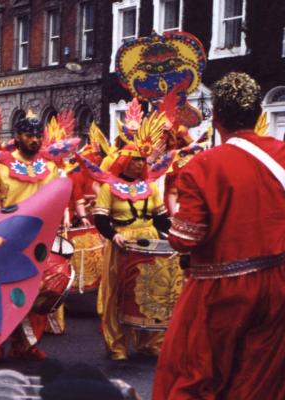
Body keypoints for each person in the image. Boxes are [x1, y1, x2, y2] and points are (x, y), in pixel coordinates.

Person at [153, 72, 285, 399]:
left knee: (197, 374)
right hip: (277, 281)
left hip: (219, 290)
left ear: (216, 118)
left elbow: (186, 239)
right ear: (259, 115)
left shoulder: (202, 167)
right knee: (260, 376)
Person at [0, 115, 62, 362]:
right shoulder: (0, 166)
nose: (34, 140)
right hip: (6, 237)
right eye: (28, 135)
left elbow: (57, 198)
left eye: (37, 136)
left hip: (39, 239)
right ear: (17, 137)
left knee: (37, 292)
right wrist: (2, 220)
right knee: (0, 292)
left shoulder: (50, 167)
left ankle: (27, 344)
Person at [90, 111, 175, 360]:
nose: (141, 164)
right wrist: (113, 235)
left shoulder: (149, 188)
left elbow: (161, 218)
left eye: (143, 160)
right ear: (126, 161)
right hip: (122, 243)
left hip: (149, 240)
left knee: (150, 290)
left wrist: (176, 234)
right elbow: (101, 219)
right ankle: (117, 345)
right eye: (137, 159)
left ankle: (150, 342)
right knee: (118, 293)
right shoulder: (109, 187)